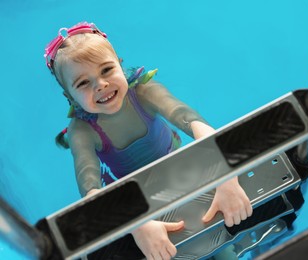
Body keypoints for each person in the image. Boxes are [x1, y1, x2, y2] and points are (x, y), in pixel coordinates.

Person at [44, 21, 253, 260]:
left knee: (221, 246)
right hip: (136, 200)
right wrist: (136, 224)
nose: (100, 85)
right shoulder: (82, 130)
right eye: (83, 83)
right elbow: (91, 193)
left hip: (181, 172)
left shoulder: (142, 92)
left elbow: (193, 122)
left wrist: (226, 177)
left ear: (120, 66)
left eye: (106, 70)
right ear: (69, 96)